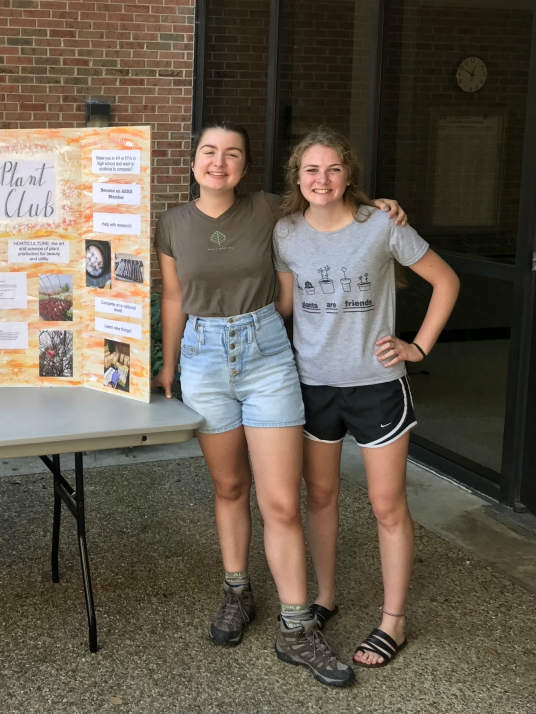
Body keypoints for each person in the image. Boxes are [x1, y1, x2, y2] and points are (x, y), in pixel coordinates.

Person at [153, 120, 406, 687]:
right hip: (202, 356)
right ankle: (237, 590)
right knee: (229, 488)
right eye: (209, 153)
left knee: (281, 502)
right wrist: (169, 363)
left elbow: (328, 200)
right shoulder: (171, 223)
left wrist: (381, 207)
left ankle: (296, 628)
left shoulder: (269, 209)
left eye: (233, 154)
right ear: (193, 163)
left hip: (267, 354)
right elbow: (172, 296)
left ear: (245, 166)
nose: (220, 163)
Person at [273, 127, 458, 668]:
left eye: (333, 169)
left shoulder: (380, 225)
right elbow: (285, 306)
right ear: (297, 177)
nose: (322, 179)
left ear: (348, 174)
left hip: (377, 386)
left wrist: (417, 347)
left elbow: (445, 281)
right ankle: (325, 596)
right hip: (313, 385)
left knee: (387, 505)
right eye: (311, 170)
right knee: (322, 497)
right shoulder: (284, 233)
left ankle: (393, 620)